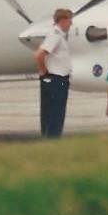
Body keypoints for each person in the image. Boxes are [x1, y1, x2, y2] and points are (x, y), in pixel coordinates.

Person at [35, 8, 73, 139]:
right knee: (55, 113)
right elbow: (40, 54)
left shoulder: (57, 34)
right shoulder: (55, 35)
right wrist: (43, 71)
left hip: (57, 79)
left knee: (52, 112)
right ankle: (52, 139)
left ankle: (50, 137)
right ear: (62, 20)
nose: (70, 24)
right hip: (56, 79)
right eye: (69, 20)